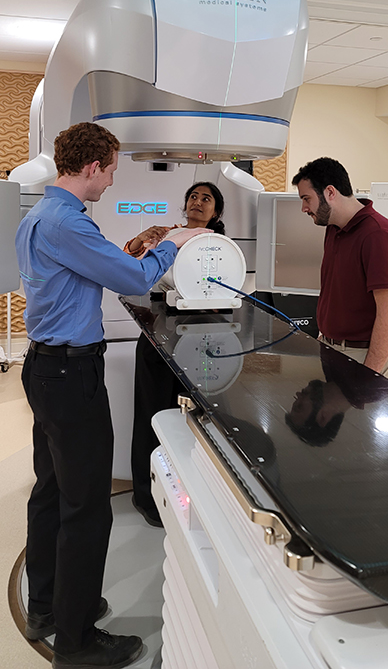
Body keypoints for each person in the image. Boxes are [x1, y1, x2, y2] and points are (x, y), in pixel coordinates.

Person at [15, 122, 191, 669]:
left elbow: (79, 273)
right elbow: (136, 280)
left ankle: (47, 605)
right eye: (112, 169)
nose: (112, 180)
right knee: (86, 507)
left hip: (44, 369)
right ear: (92, 167)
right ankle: (76, 638)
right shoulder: (68, 222)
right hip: (71, 378)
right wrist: (171, 245)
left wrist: (123, 254)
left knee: (51, 492)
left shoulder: (39, 217)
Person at [125, 182, 225, 527]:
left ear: (217, 212)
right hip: (158, 334)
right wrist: (141, 240)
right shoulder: (168, 235)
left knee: (191, 424)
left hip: (200, 340)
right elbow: (129, 265)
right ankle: (147, 498)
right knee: (150, 417)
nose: (197, 202)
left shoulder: (218, 246)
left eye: (206, 199)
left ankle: (188, 496)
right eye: (193, 197)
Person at [292, 157, 388, 382]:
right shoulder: (333, 229)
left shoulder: (378, 235)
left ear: (330, 192)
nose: (303, 208)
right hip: (334, 350)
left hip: (365, 356)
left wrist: (369, 375)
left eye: (306, 199)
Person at [286, 344, 388, 446]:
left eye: (296, 399)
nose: (298, 394)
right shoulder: (373, 388)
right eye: (300, 406)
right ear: (323, 417)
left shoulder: (333, 379)